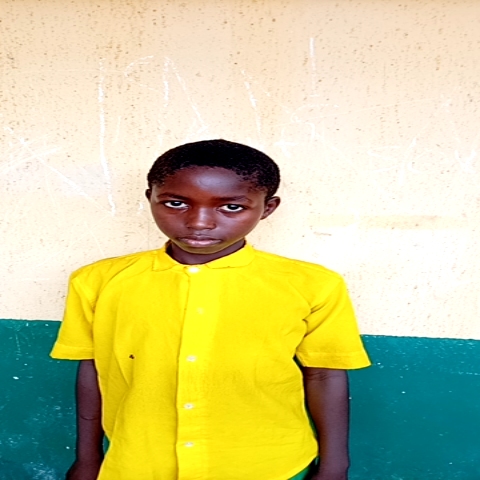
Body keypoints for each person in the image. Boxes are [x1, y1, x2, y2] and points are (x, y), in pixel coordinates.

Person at [51, 139, 370, 480]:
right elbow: (93, 370)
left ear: (268, 208)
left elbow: (324, 375)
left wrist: (335, 466)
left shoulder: (313, 284)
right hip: (140, 464)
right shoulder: (98, 281)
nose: (199, 222)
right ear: (150, 198)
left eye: (231, 207)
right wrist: (88, 459)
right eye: (175, 203)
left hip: (269, 465)